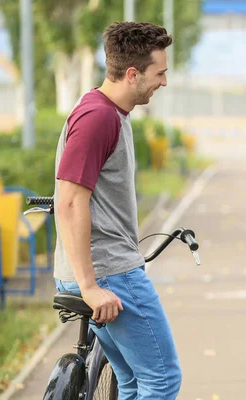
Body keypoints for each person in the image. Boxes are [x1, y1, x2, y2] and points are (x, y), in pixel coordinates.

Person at [52, 22, 180, 399]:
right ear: (132, 74)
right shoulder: (98, 118)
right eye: (160, 73)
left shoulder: (106, 112)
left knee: (133, 383)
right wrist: (90, 287)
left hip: (102, 272)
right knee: (162, 380)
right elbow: (71, 200)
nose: (164, 82)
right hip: (110, 275)